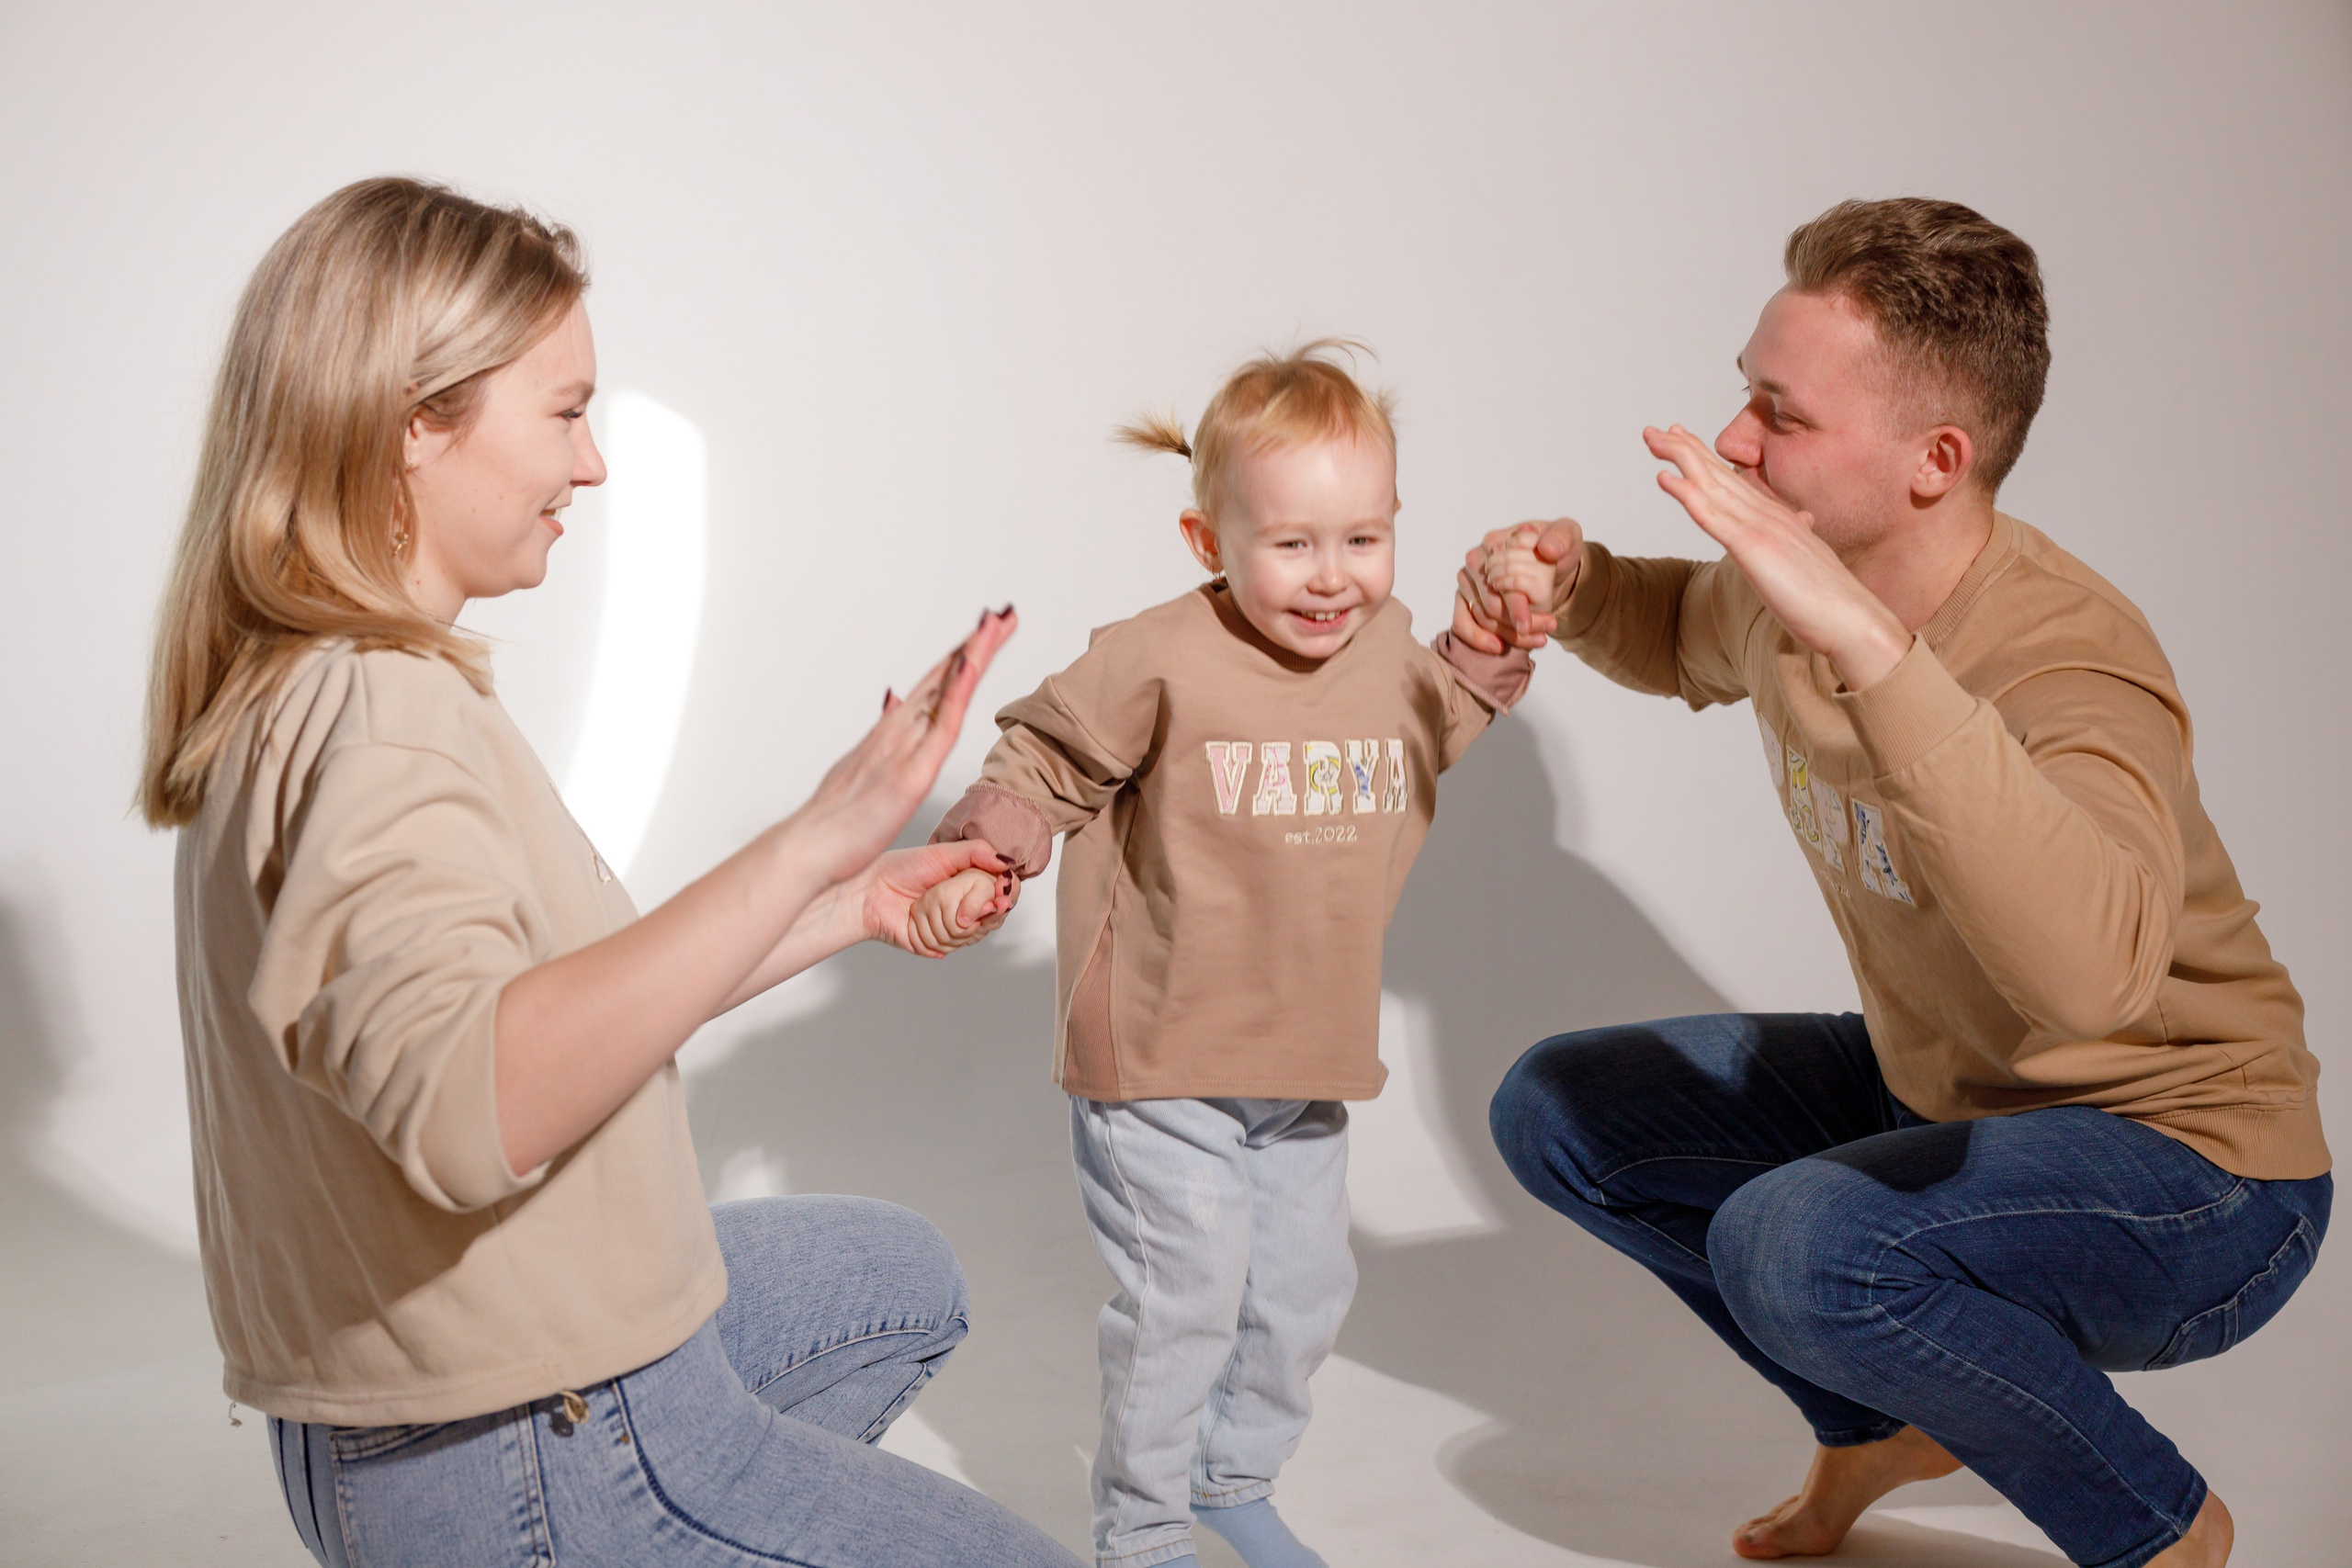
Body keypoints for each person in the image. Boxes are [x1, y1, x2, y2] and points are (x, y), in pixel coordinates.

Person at [138, 176, 1082, 1568]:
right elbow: (474, 1106)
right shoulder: (384, 714)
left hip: (407, 1413)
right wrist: (805, 836)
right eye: (566, 412)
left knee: (894, 1280)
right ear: (415, 421)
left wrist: (846, 900)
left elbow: (563, 1002)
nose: (592, 466)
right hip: (523, 1445)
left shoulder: (306, 679)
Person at [1456, 198, 2328, 1568]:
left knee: (1796, 1243)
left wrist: (1870, 646)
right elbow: (1680, 630)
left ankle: (2158, 1526)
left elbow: (2098, 984)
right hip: (1957, 1099)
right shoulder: (1790, 586)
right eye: (1745, 394)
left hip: (2196, 1173)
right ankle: (1881, 1426)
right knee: (1560, 1109)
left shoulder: (2071, 661)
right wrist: (1572, 588)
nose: (1735, 441)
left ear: (1937, 461)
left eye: (1781, 414)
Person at [907, 344, 1553, 1568]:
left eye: (1362, 539)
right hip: (1161, 1047)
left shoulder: (1386, 649)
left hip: (1303, 1053)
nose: (1332, 576)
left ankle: (1230, 1478)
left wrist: (1481, 648)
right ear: (1209, 539)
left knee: (1304, 1294)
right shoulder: (1158, 654)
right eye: (1292, 543)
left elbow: (1433, 726)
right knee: (1185, 1297)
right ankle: (1143, 1528)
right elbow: (1047, 757)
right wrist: (992, 843)